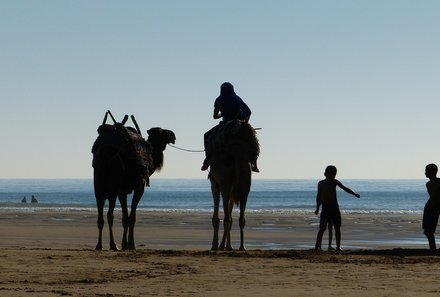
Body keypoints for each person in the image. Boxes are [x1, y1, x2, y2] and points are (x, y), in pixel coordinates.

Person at [201, 82, 259, 172]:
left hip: (225, 124)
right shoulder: (237, 98)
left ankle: (207, 161)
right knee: (253, 141)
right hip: (239, 124)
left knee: (207, 135)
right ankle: (254, 163)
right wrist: (245, 123)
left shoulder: (219, 100)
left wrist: (222, 114)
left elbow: (215, 116)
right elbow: (249, 112)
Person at [314, 165, 360, 251]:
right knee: (322, 227)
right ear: (325, 174)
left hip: (334, 207)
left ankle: (338, 247)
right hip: (325, 207)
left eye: (334, 175)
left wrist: (354, 194)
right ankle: (317, 246)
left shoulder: (335, 182)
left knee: (337, 227)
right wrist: (317, 208)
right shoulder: (321, 183)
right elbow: (319, 196)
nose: (332, 176)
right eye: (330, 174)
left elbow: (345, 188)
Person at [422, 163, 440, 251]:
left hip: (433, 207)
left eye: (426, 171)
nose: (425, 173)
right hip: (430, 207)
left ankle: (433, 249)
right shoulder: (428, 184)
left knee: (428, 231)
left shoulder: (438, 182)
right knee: (427, 230)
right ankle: (432, 248)